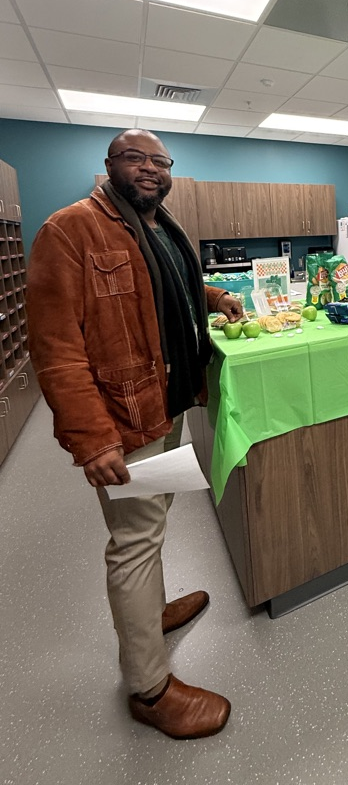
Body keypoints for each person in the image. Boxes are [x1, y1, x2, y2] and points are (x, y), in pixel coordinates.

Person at [26, 130, 243, 738]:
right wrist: (92, 439)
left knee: (151, 521)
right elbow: (56, 348)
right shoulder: (70, 231)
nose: (149, 168)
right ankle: (149, 688)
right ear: (108, 166)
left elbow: (164, 289)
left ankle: (151, 609)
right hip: (123, 418)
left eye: (160, 160)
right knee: (134, 539)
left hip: (166, 405)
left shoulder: (157, 227)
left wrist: (215, 295)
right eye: (134, 158)